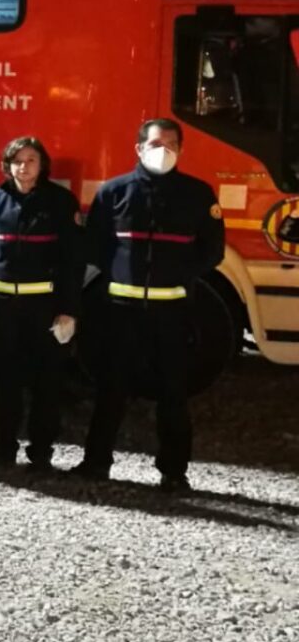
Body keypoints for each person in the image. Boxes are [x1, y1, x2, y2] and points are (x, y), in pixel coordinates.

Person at [77, 117, 224, 492]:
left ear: (182, 150)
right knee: (111, 389)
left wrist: (178, 273)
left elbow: (212, 251)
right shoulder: (114, 192)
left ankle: (174, 473)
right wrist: (120, 275)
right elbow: (94, 244)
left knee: (174, 394)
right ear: (139, 148)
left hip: (172, 314)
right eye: (156, 143)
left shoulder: (198, 195)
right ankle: (96, 463)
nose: (165, 151)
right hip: (121, 313)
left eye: (172, 144)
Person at [0, 136, 80, 471]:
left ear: (41, 165)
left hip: (45, 311)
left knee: (47, 383)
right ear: (7, 165)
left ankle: (41, 452)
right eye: (17, 160)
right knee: (6, 381)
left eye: (31, 160)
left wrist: (68, 310)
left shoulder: (60, 202)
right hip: (3, 311)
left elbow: (72, 261)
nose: (23, 166)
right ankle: (3, 445)